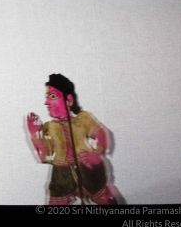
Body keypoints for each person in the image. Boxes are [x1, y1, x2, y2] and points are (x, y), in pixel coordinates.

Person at [26, 74, 119, 205]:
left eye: (52, 97)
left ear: (68, 100)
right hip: (61, 175)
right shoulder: (49, 127)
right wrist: (35, 134)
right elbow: (44, 156)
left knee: (105, 199)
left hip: (88, 168)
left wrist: (97, 154)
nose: (46, 102)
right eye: (47, 97)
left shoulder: (83, 119)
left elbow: (101, 134)